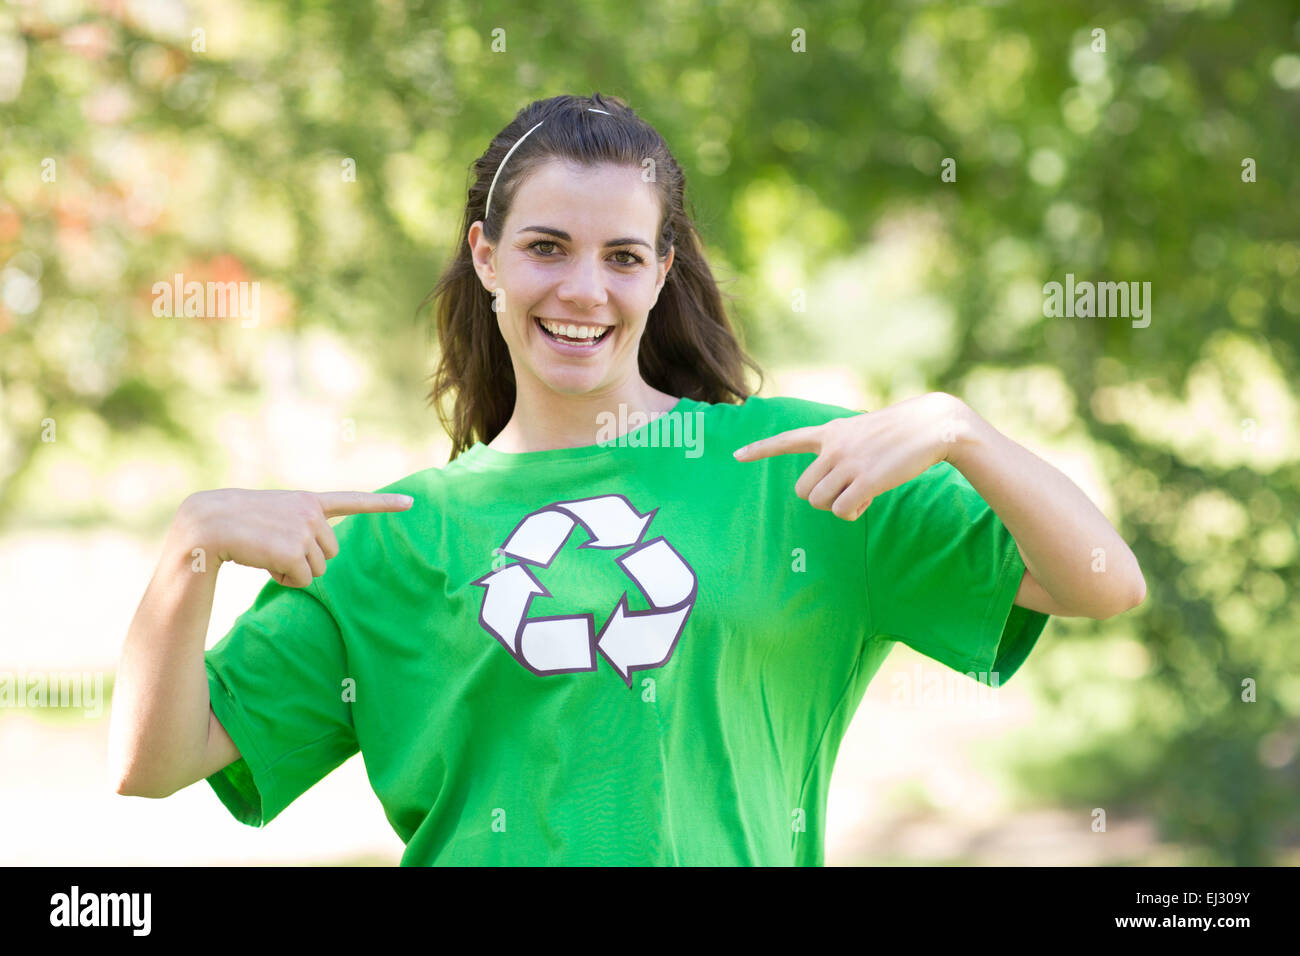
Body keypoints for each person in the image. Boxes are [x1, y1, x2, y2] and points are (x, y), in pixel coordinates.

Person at [108, 92, 1146, 866]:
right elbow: (154, 760)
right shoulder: (391, 533)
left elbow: (1102, 582)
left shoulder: (792, 469)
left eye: (620, 256)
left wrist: (963, 433)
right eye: (546, 248)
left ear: (658, 269)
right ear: (485, 256)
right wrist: (189, 544)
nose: (582, 288)